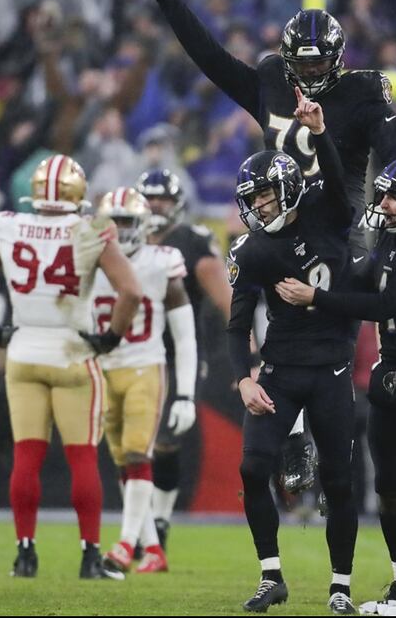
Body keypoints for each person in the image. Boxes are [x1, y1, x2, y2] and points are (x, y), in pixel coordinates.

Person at [276, 157, 396, 616]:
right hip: (393, 366)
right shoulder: (389, 238)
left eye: (394, 196)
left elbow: (387, 304)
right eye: (382, 194)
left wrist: (317, 297)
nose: (383, 204)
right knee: (387, 485)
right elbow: (358, 279)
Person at [128, 0, 396, 256]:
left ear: (339, 59)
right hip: (279, 235)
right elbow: (210, 57)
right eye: (303, 66)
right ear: (288, 61)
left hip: (338, 240)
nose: (312, 72)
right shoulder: (273, 82)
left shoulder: (360, 93)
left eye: (320, 64)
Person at [0, 155, 143, 580]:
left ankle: (25, 554)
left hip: (24, 352)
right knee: (82, 458)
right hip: (72, 351)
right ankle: (90, 555)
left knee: (26, 456)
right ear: (78, 192)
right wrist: (109, 337)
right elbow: (130, 290)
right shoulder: (92, 229)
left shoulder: (9, 225)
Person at [225, 89, 358, 614]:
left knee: (340, 483)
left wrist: (321, 130)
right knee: (253, 470)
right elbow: (237, 327)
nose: (258, 206)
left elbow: (339, 180)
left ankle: (341, 587)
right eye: (251, 199)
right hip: (280, 370)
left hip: (331, 367)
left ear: (287, 190)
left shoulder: (325, 215)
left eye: (264, 196)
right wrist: (243, 380)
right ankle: (270, 575)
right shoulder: (252, 248)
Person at [89, 187, 196, 576]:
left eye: (127, 221)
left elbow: (185, 335)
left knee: (137, 455)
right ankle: (152, 548)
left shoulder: (160, 261)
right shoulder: (87, 261)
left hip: (144, 366)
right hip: (103, 369)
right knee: (124, 463)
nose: (119, 229)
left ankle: (122, 547)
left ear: (143, 223)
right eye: (113, 221)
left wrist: (185, 394)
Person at [136, 168, 232, 550]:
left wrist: (250, 351)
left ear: (177, 204)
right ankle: (143, 525)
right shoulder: (126, 237)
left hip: (180, 354)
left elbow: (225, 299)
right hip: (135, 351)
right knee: (136, 442)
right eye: (149, 198)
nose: (155, 205)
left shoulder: (192, 242)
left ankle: (158, 520)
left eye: (162, 198)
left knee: (166, 440)